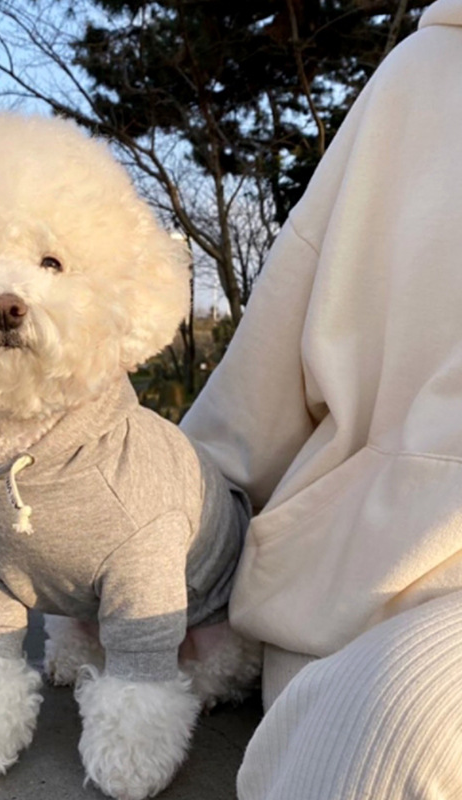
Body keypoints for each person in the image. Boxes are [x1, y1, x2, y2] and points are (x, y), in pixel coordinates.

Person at [179, 1, 462, 797]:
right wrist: (144, 533)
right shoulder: (423, 78)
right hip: (387, 604)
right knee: (399, 733)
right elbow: (260, 381)